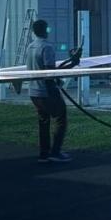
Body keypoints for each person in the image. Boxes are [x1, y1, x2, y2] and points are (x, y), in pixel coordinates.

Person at [26, 19, 72, 163]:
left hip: (33, 91)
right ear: (46, 30)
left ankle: (44, 153)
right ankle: (56, 152)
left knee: (43, 121)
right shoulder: (47, 47)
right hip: (46, 91)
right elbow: (50, 72)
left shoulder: (30, 47)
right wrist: (72, 64)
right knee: (60, 119)